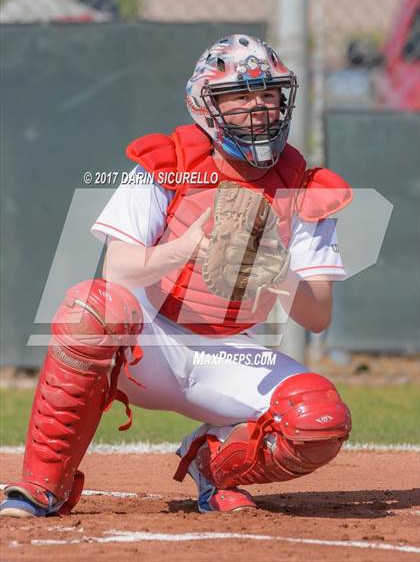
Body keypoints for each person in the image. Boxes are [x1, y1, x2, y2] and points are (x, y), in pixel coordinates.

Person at [0, 34, 352, 517]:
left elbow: (316, 317)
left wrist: (281, 275)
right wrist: (186, 248)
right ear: (207, 107)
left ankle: (216, 466)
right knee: (92, 307)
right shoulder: (170, 163)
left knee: (320, 421)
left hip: (229, 353)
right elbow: (119, 270)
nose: (259, 108)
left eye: (268, 94)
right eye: (240, 96)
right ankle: (43, 484)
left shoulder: (304, 187)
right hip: (151, 344)